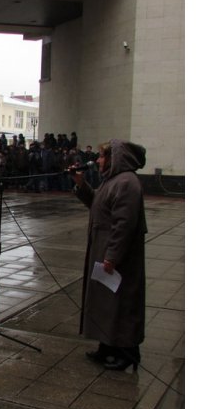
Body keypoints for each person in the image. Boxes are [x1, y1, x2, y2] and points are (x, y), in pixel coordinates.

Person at [71, 139, 147, 371]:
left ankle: (127, 352)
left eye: (103, 157)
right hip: (103, 247)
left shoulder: (127, 183)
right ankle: (107, 347)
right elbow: (98, 204)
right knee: (105, 302)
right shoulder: (112, 181)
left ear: (116, 159)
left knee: (122, 303)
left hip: (119, 255)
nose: (98, 161)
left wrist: (112, 256)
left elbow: (124, 225)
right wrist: (81, 184)